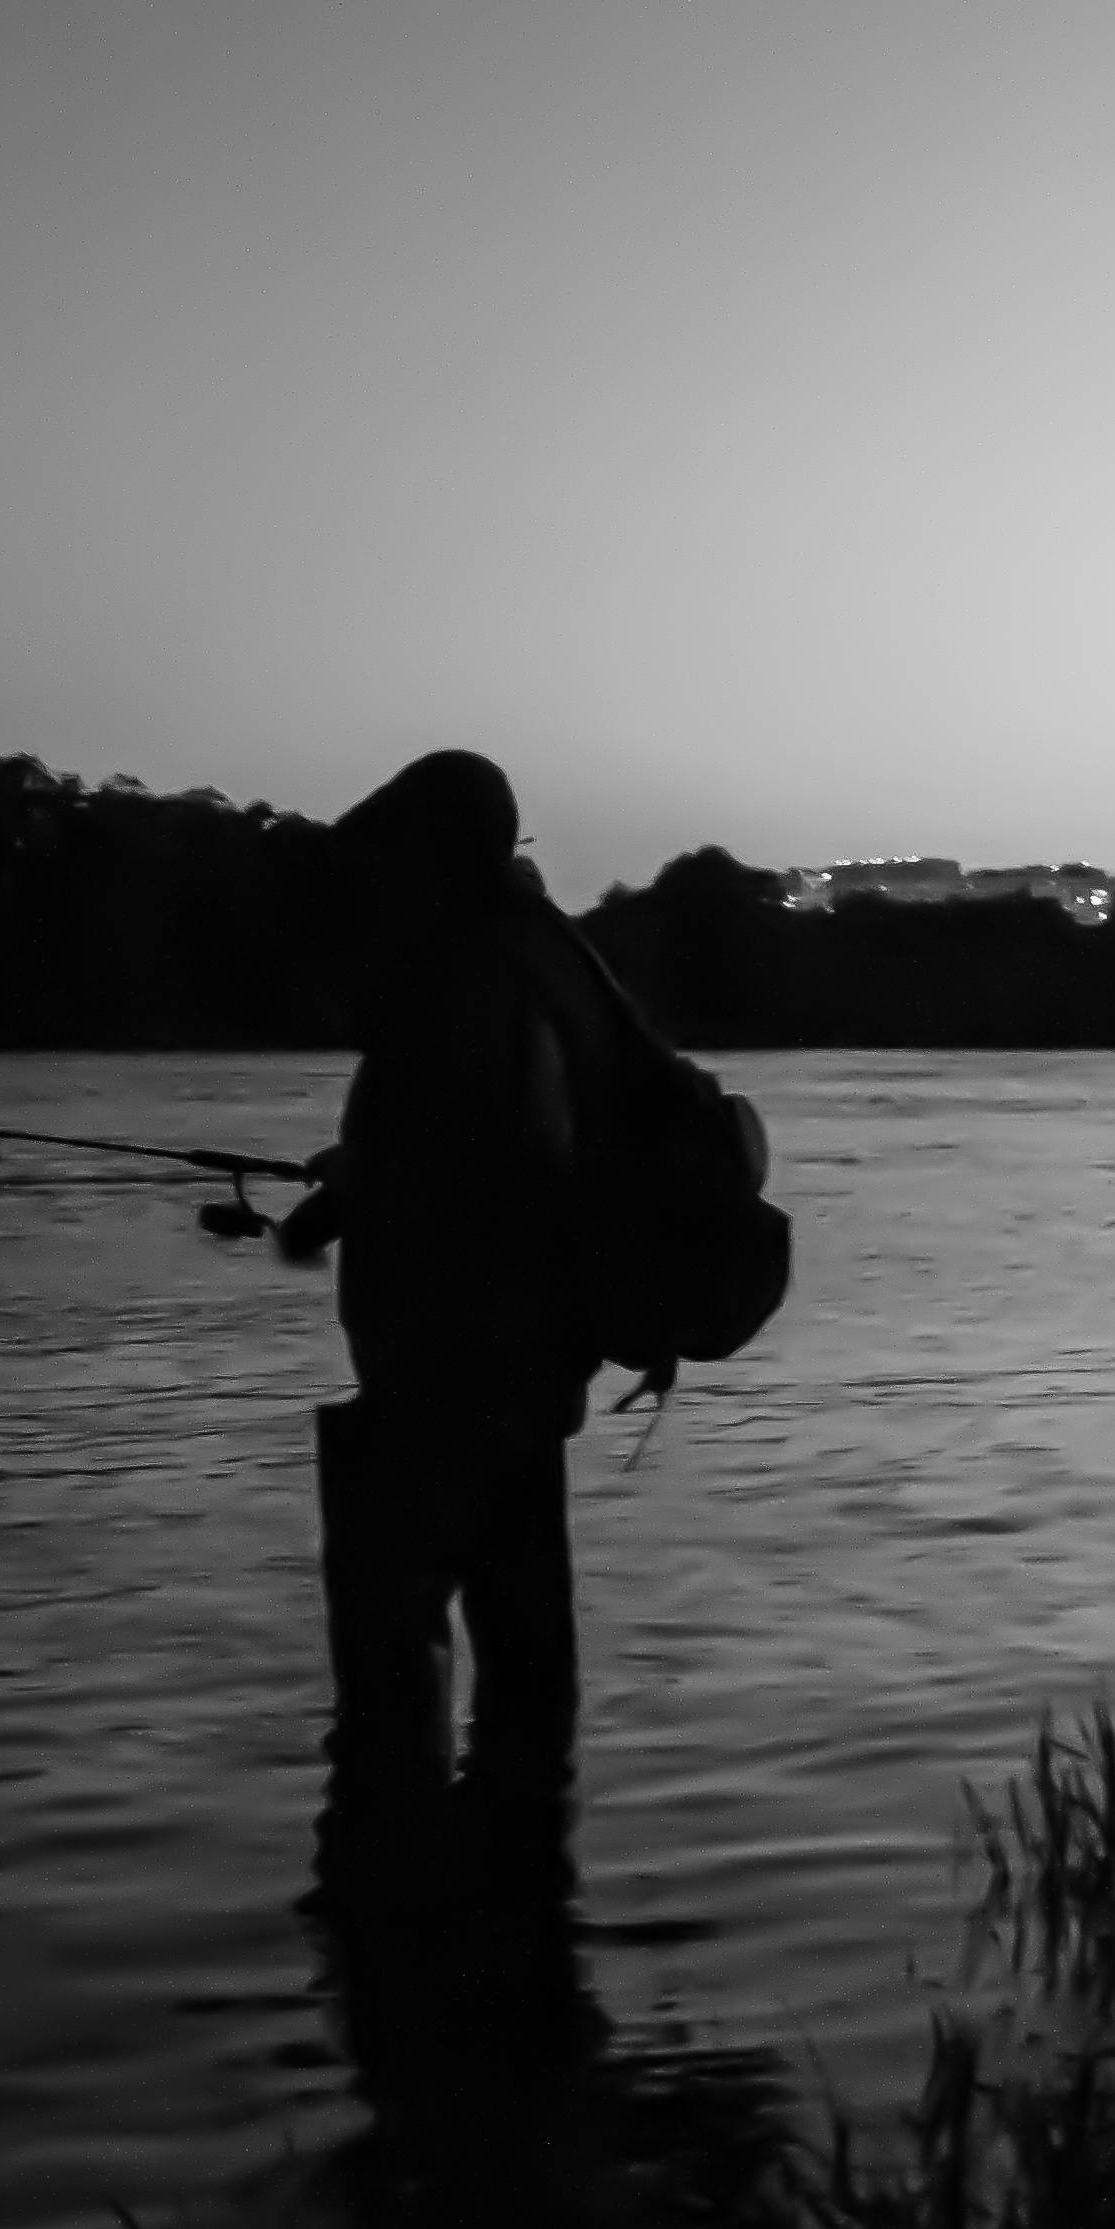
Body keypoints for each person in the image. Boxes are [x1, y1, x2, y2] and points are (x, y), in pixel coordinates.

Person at [278, 748, 652, 1820]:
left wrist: (345, 1194)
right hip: (528, 1388)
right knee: (530, 1685)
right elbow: (494, 1158)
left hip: (442, 1389)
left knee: (394, 1707)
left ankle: (396, 1932)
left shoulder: (459, 981)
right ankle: (523, 1919)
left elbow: (478, 1168)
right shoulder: (538, 970)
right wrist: (348, 1191)